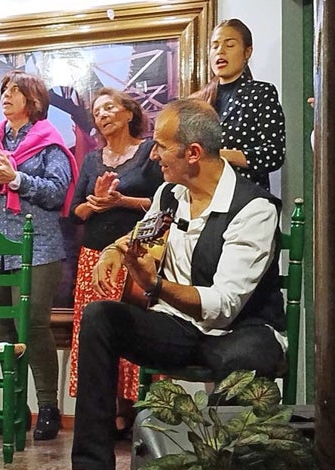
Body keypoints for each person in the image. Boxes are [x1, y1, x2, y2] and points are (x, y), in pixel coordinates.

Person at [71, 98, 286, 470]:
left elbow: (223, 305)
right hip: (177, 327)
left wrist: (154, 286)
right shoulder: (169, 194)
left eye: (162, 146)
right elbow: (144, 233)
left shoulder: (254, 209)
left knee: (246, 359)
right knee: (99, 317)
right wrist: (114, 248)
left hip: (239, 331)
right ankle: (91, 464)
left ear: (193, 153)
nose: (154, 154)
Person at [0, 70, 78, 441]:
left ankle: (48, 408)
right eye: (4, 91)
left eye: (15, 91)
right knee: (6, 329)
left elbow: (58, 192)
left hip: (38, 249)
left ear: (34, 100)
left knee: (34, 326)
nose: (6, 96)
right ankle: (14, 407)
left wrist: (16, 179)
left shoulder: (49, 143)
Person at [67, 88, 163, 438]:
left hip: (136, 257)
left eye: (109, 108)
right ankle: (104, 417)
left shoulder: (150, 153)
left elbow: (163, 202)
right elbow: (76, 210)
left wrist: (121, 201)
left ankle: (134, 414)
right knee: (94, 336)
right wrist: (96, 205)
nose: (102, 115)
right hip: (93, 257)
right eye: (96, 112)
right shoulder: (92, 161)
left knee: (132, 333)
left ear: (128, 113)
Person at [191, 18, 286, 191]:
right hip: (203, 196)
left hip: (246, 199)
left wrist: (219, 156)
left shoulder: (261, 93)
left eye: (230, 45)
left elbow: (274, 154)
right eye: (215, 46)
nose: (220, 51)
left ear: (247, 52)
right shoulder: (197, 101)